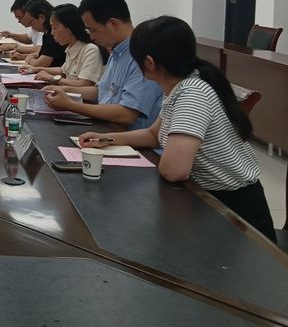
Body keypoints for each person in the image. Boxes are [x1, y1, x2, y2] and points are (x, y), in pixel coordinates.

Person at [79, 16, 276, 242]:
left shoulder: (192, 94)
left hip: (235, 215)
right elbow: (154, 134)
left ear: (149, 62)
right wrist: (106, 139)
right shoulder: (179, 85)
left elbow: (174, 170)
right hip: (206, 202)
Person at [43, 0, 162, 129]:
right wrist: (65, 90)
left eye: (92, 30)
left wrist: (71, 105)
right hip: (107, 128)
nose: (91, 36)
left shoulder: (142, 55)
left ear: (113, 24)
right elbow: (101, 91)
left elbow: (127, 114)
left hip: (127, 136)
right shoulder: (117, 52)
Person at [31, 3, 103, 87]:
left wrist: (52, 78)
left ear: (69, 28)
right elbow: (62, 71)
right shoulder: (70, 48)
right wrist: (36, 69)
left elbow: (83, 84)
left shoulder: (90, 50)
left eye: (54, 28)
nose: (52, 33)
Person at [12, 0, 65, 68]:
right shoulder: (46, 34)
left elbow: (41, 63)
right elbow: (42, 53)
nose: (31, 26)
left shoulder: (53, 34)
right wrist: (28, 56)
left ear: (41, 18)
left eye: (31, 22)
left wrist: (30, 60)